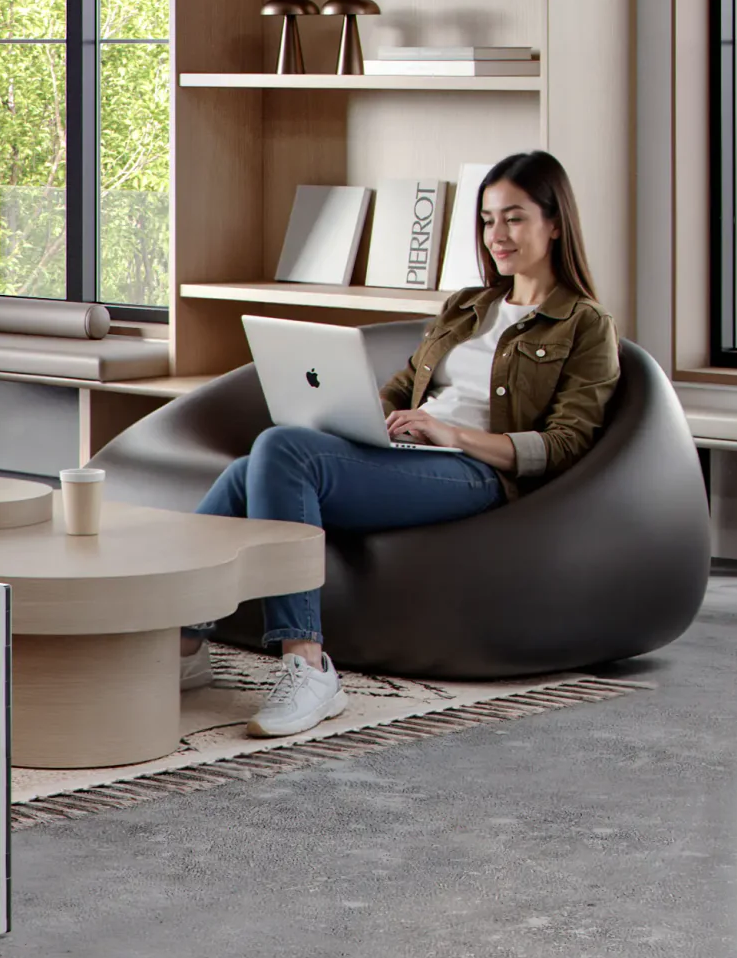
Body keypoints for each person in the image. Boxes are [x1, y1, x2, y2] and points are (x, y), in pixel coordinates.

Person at [180, 150, 619, 738]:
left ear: (555, 222)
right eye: (487, 220)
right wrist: (361, 416)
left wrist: (450, 433)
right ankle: (181, 643)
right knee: (252, 467)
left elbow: (565, 443)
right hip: (412, 454)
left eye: (514, 218)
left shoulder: (585, 324)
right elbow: (402, 386)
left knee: (280, 450)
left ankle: (308, 665)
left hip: (476, 471)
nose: (497, 235)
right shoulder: (468, 306)